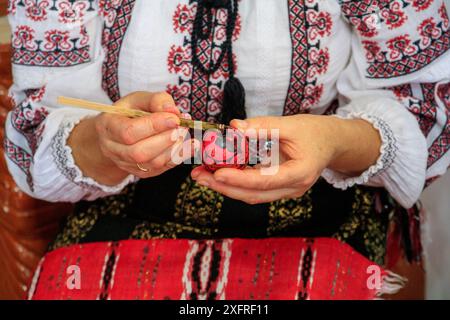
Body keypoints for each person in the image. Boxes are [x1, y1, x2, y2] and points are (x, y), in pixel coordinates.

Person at [4, 0, 450, 299]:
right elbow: (44, 119)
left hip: (318, 209)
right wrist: (105, 144)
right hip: (127, 210)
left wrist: (330, 141)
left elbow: (418, 113)